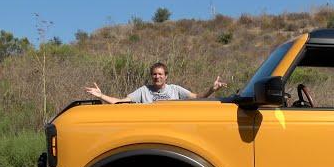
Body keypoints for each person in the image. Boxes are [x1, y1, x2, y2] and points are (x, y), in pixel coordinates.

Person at [84, 62, 227, 104]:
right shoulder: (143, 91)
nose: (157, 77)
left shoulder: (175, 90)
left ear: (166, 76)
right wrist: (101, 95)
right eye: (154, 74)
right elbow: (120, 103)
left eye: (160, 74)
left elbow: (198, 98)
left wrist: (212, 89)